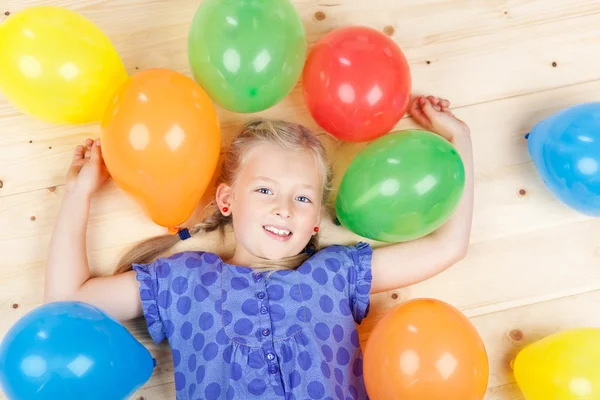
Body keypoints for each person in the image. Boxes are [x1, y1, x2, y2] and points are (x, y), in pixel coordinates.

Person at [44, 95, 473, 400]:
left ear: (314, 220)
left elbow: (449, 246)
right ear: (227, 200)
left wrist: (462, 141)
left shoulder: (337, 273)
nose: (285, 209)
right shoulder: (182, 282)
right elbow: (65, 305)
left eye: (302, 198)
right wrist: (79, 194)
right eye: (266, 190)